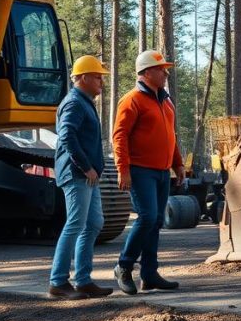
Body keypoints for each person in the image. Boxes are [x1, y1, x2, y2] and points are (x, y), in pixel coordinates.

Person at [112, 49, 186, 294]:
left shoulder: (165, 101)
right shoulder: (132, 100)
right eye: (161, 69)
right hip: (140, 170)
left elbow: (170, 136)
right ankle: (123, 266)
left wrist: (178, 164)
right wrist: (123, 169)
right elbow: (119, 136)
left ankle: (149, 273)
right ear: (146, 73)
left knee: (155, 221)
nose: (165, 73)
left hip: (162, 172)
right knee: (146, 217)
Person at [48, 55, 114, 300]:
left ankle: (83, 280)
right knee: (75, 224)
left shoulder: (85, 102)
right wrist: (86, 167)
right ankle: (58, 282)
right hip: (78, 174)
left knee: (94, 223)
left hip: (88, 175)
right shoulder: (74, 102)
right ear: (83, 77)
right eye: (97, 77)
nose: (101, 82)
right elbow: (66, 136)